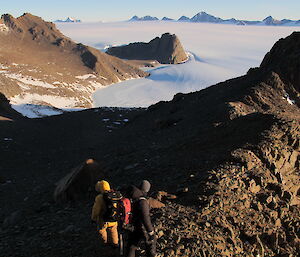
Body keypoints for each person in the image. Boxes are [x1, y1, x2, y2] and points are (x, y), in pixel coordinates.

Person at [126, 180, 156, 257]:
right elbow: (145, 217)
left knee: (132, 245)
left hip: (132, 225)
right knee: (150, 244)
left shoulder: (133, 196)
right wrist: (150, 231)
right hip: (141, 227)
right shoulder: (142, 201)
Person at [91, 180, 119, 248]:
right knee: (113, 231)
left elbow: (96, 209)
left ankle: (105, 244)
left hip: (103, 219)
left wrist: (93, 218)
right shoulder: (114, 195)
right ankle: (115, 244)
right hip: (114, 218)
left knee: (102, 231)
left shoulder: (99, 197)